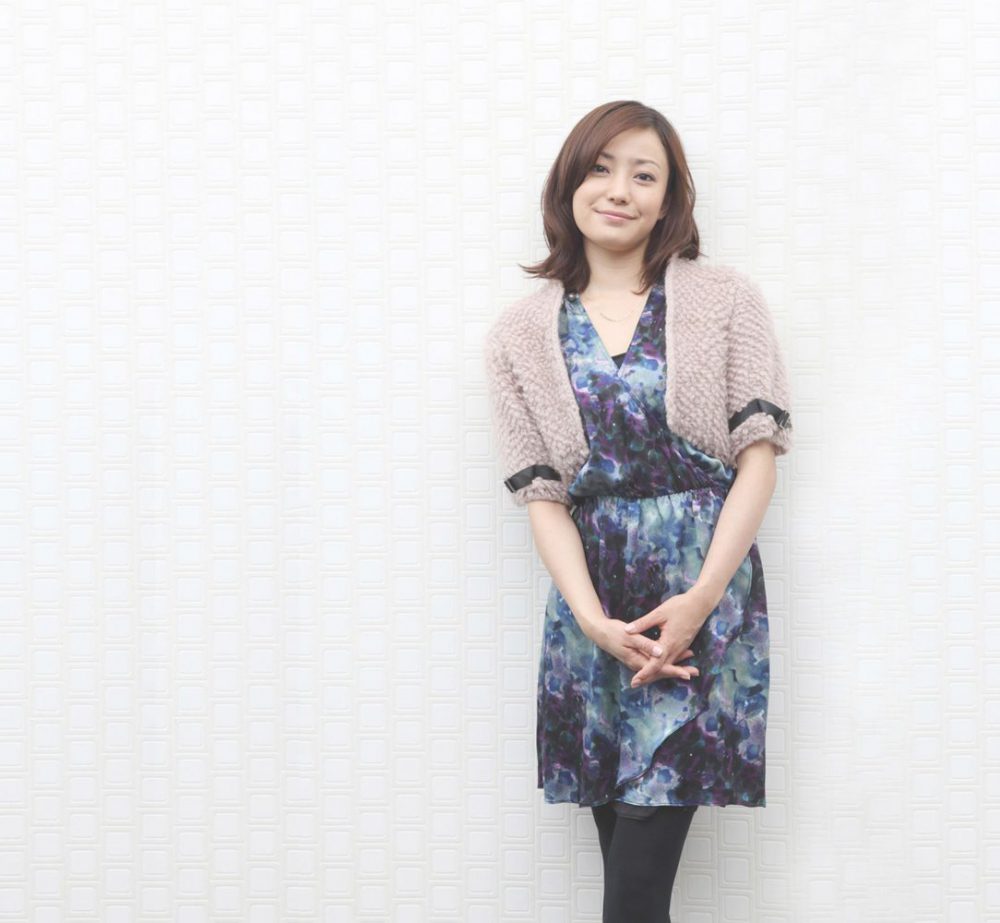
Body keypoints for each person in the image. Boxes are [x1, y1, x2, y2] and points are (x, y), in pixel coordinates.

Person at [483, 100, 794, 923]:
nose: (619, 189)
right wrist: (592, 621)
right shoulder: (519, 334)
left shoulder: (725, 299)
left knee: (635, 889)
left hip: (702, 598)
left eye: (643, 174)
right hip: (596, 617)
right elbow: (543, 496)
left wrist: (701, 600)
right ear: (568, 184)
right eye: (600, 168)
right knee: (630, 884)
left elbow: (758, 461)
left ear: (669, 200)